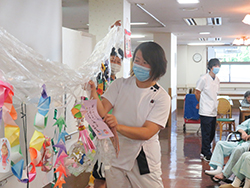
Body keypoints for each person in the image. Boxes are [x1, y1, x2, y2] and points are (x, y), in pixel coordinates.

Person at [88, 42, 170, 188]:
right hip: (115, 153)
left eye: (145, 62)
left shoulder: (161, 97)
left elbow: (147, 132)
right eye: (137, 61)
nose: (139, 65)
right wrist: (93, 92)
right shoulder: (120, 84)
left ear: (156, 66)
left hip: (143, 157)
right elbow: (102, 111)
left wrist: (117, 126)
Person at [194, 58, 221, 161]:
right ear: (210, 67)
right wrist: (200, 103)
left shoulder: (217, 79)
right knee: (206, 133)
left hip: (213, 110)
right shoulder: (203, 79)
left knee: (212, 133)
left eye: (218, 66)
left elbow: (215, 94)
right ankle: (206, 153)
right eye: (215, 66)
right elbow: (197, 92)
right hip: (205, 110)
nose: (217, 68)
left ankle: (203, 151)